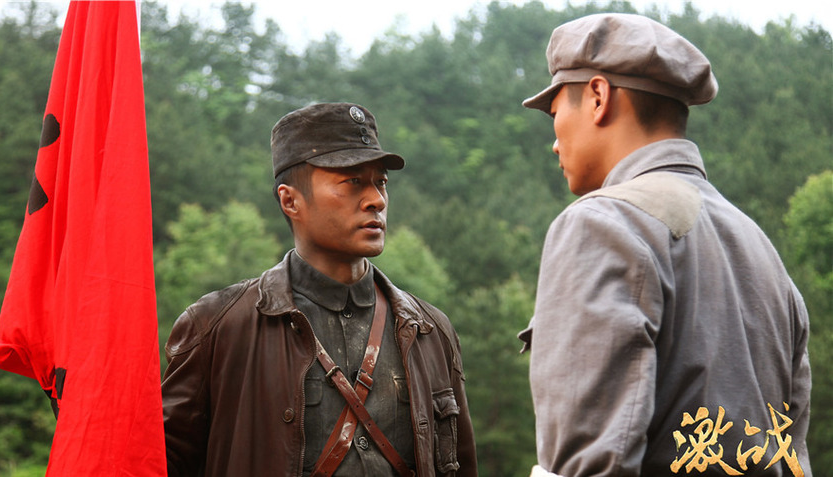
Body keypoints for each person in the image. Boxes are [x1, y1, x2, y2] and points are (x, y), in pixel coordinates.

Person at [518, 14, 812, 476]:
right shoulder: (760, 248)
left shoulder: (601, 223)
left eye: (556, 114)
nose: (554, 143)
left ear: (597, 97)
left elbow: (587, 465)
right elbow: (791, 455)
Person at [162, 102, 478, 476]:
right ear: (290, 201)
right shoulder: (217, 328)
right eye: (353, 182)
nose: (376, 200)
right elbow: (155, 463)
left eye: (380, 182)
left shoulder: (431, 331)